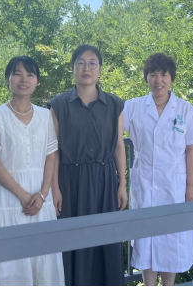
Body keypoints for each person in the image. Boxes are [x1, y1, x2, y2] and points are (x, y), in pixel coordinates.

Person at [0, 56, 65, 286]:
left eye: (30, 74)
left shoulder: (46, 116)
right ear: (7, 79)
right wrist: (23, 195)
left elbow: (51, 155)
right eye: (17, 73)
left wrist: (43, 194)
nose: (24, 79)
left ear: (37, 81)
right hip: (7, 197)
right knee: (8, 263)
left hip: (41, 198)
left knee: (41, 259)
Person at [124, 53, 193, 286]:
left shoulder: (185, 109)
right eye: (153, 75)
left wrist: (191, 187)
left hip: (175, 184)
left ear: (171, 78)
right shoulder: (132, 107)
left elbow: (192, 149)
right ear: (146, 78)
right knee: (146, 237)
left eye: (164, 75)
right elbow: (111, 131)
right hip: (144, 181)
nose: (158, 80)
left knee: (172, 238)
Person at [48, 45, 127, 286]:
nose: (86, 68)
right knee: (71, 240)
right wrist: (54, 188)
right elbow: (53, 150)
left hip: (105, 180)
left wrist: (122, 184)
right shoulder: (58, 105)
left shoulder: (114, 104)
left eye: (92, 63)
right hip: (70, 181)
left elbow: (119, 146)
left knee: (105, 239)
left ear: (100, 68)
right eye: (80, 62)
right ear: (72, 68)